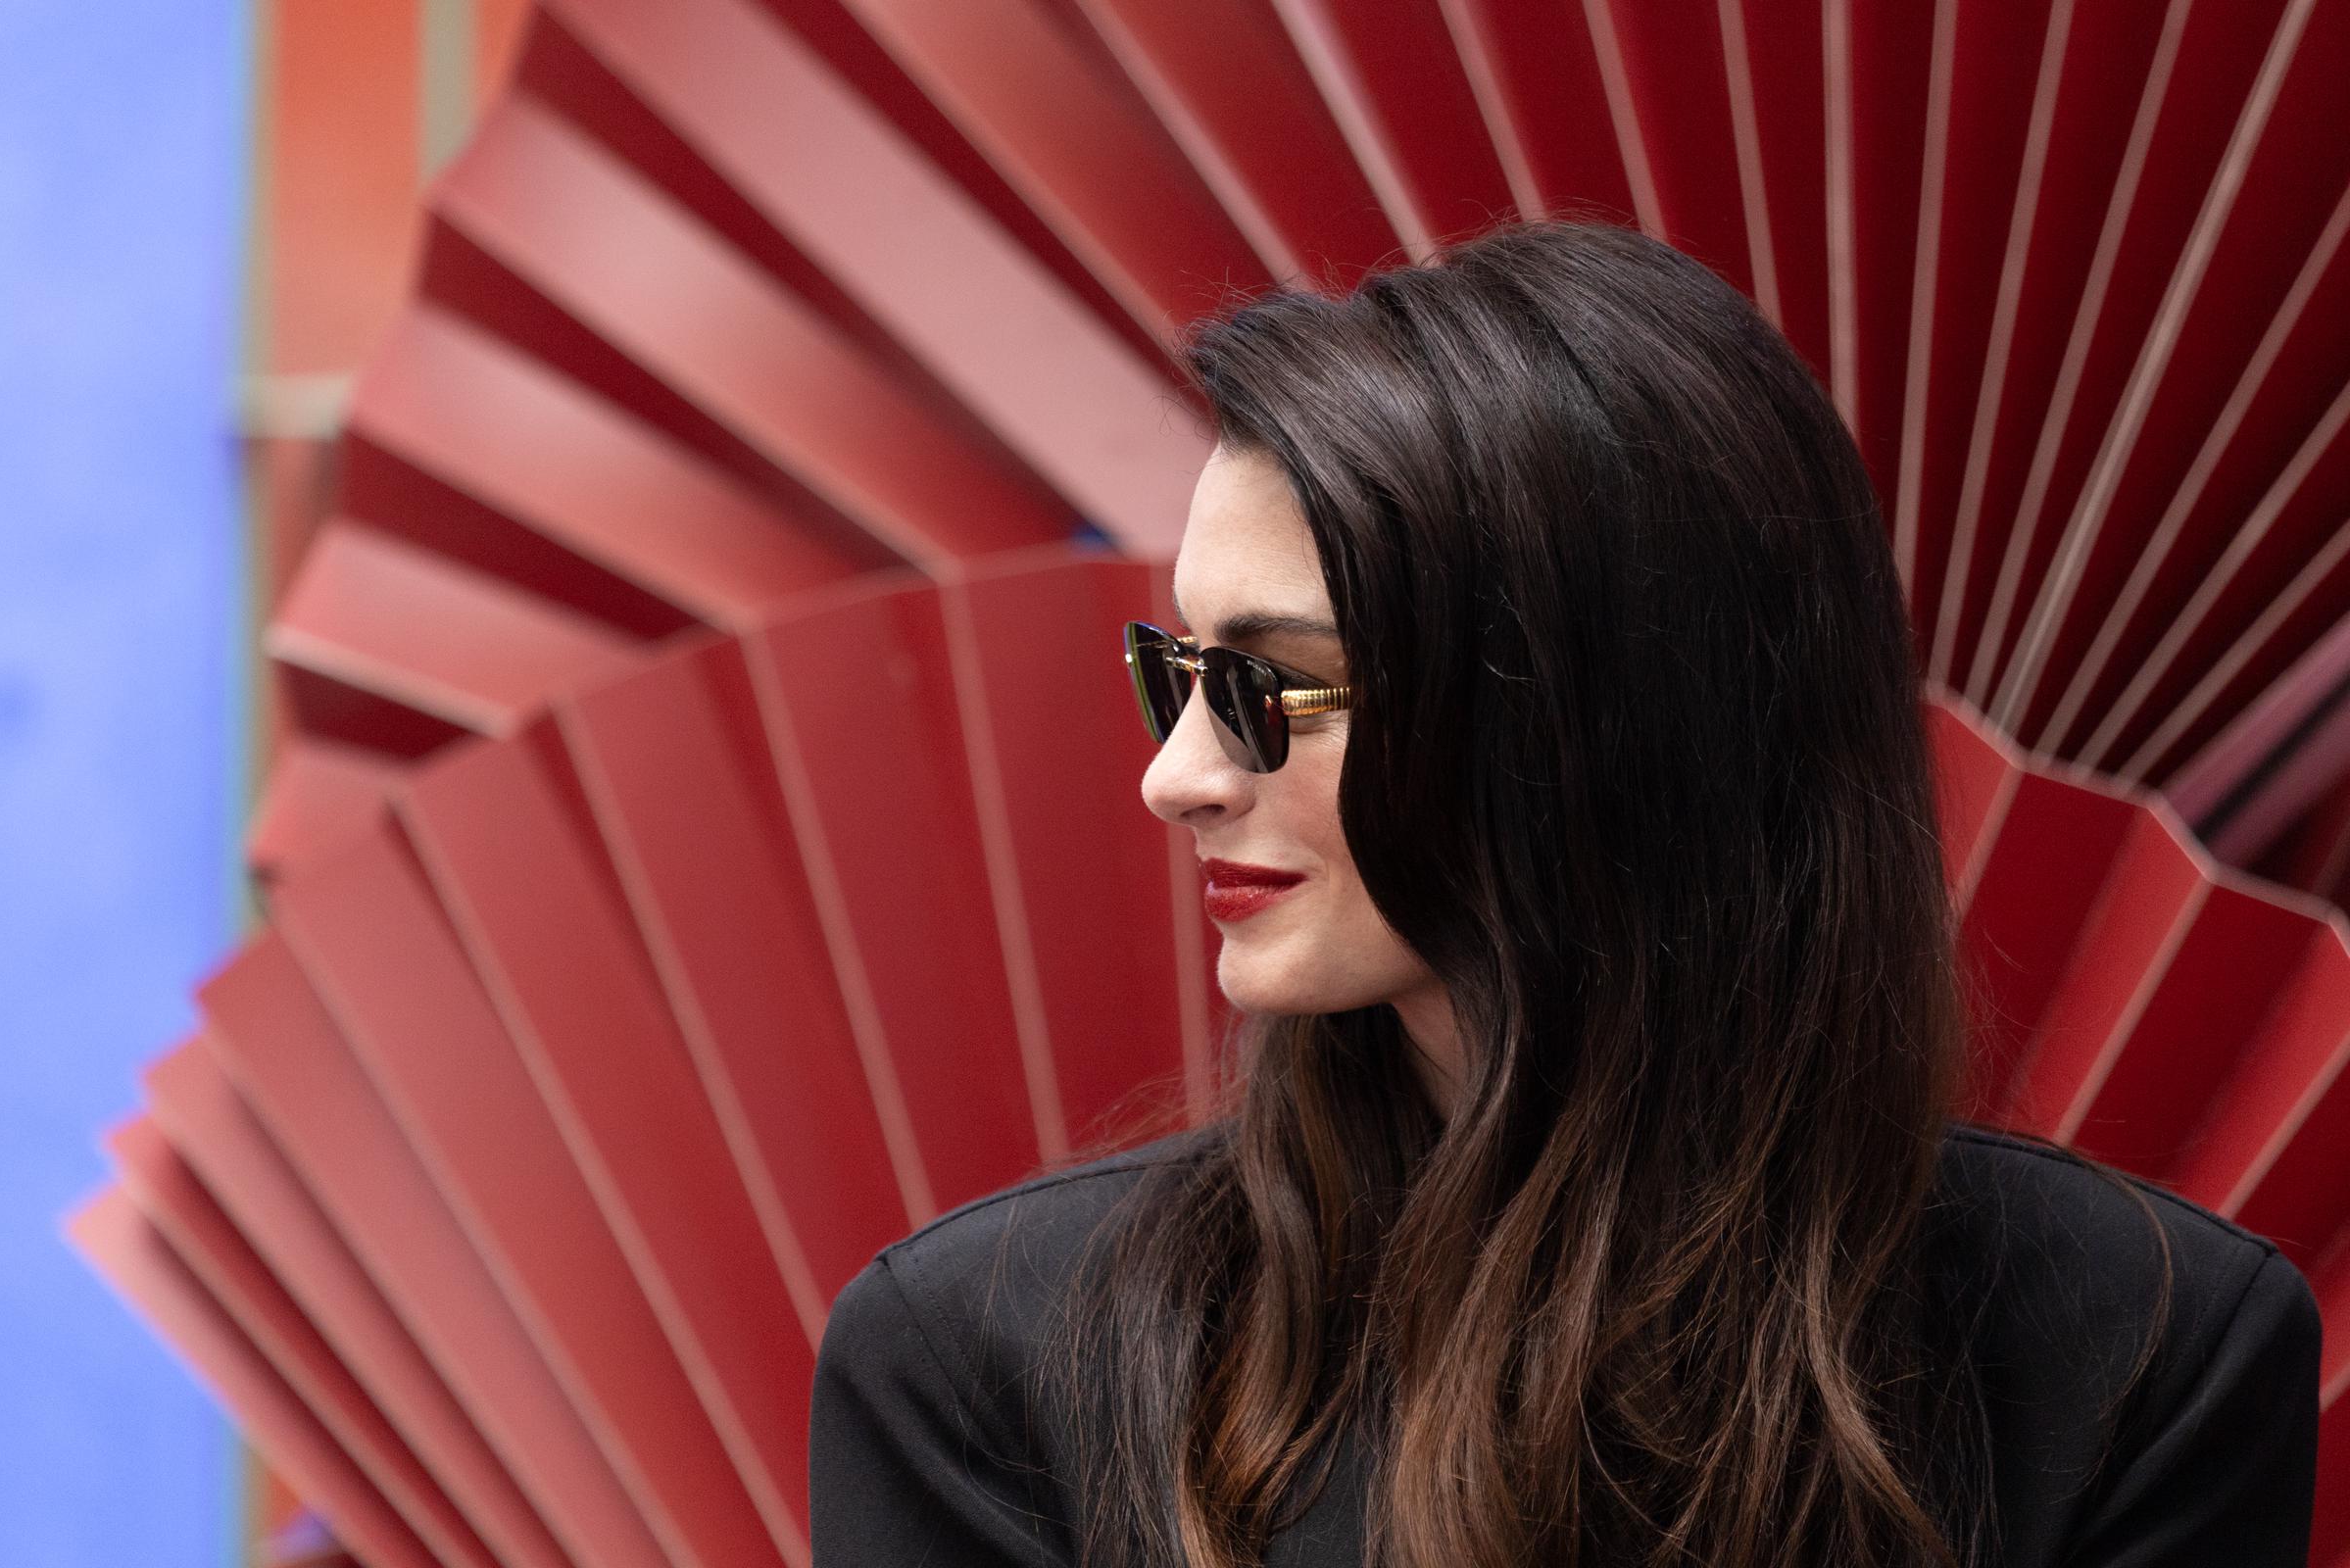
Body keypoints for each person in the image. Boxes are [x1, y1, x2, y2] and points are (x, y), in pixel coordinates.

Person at [807, 217, 2324, 1566]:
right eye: (1183, 675)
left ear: (1601, 719)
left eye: (1287, 685)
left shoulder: (2146, 1357)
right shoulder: (985, 1365)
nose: (1181, 776)